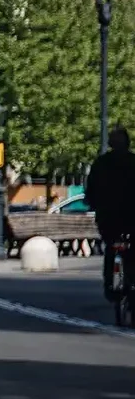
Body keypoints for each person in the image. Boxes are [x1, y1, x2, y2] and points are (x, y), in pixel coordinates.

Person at [85, 126, 135, 301]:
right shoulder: (132, 161)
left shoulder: (101, 163)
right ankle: (131, 281)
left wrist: (93, 203)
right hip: (131, 216)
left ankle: (109, 285)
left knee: (111, 249)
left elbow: (90, 189)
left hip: (108, 217)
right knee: (131, 250)